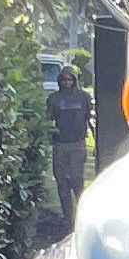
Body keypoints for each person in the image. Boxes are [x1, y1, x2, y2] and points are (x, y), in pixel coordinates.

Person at [49, 60, 92, 227]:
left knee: (77, 180)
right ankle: (68, 217)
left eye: (70, 79)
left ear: (74, 80)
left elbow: (90, 119)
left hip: (78, 144)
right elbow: (48, 120)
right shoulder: (53, 99)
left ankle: (81, 217)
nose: (67, 82)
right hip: (60, 145)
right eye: (64, 79)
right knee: (61, 182)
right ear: (60, 81)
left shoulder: (84, 98)